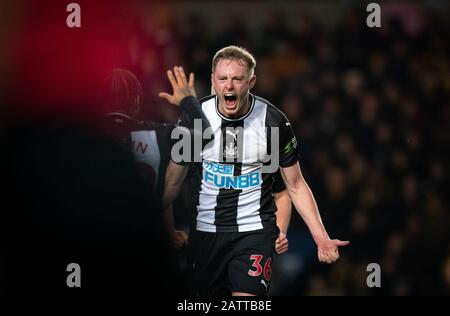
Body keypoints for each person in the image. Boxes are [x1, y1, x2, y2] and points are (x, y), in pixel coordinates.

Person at [162, 45, 349, 296]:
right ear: (213, 82)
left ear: (251, 81)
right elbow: (171, 184)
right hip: (205, 234)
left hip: (253, 233)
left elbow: (293, 185)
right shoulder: (195, 120)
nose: (229, 86)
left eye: (237, 79)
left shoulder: (272, 122)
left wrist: (321, 237)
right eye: (223, 79)